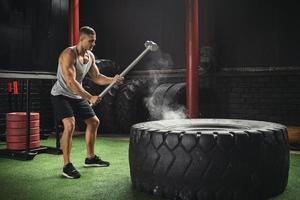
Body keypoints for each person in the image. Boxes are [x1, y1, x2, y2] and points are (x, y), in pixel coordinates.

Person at [50, 26, 123, 179]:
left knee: (94, 122)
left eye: (94, 41)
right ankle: (67, 165)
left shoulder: (90, 56)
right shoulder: (69, 54)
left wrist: (112, 80)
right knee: (69, 125)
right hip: (61, 94)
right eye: (90, 41)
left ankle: (90, 158)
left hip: (77, 95)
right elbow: (71, 82)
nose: (93, 44)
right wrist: (90, 97)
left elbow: (97, 77)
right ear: (81, 40)